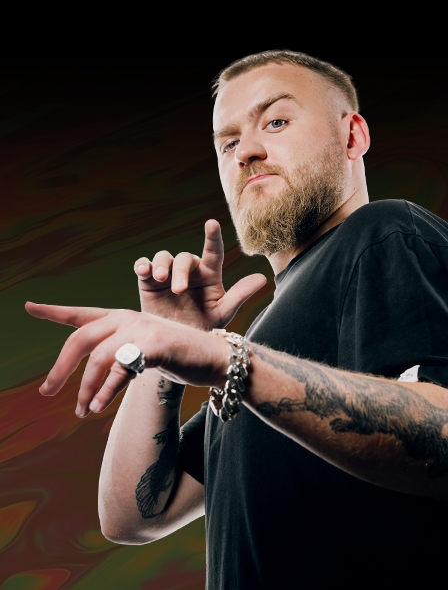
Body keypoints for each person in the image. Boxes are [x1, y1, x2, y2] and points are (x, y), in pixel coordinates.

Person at [26, 51, 448, 588]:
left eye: (276, 121)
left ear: (352, 136)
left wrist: (231, 361)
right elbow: (134, 515)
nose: (245, 151)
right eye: (227, 143)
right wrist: (172, 349)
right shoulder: (263, 346)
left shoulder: (384, 234)